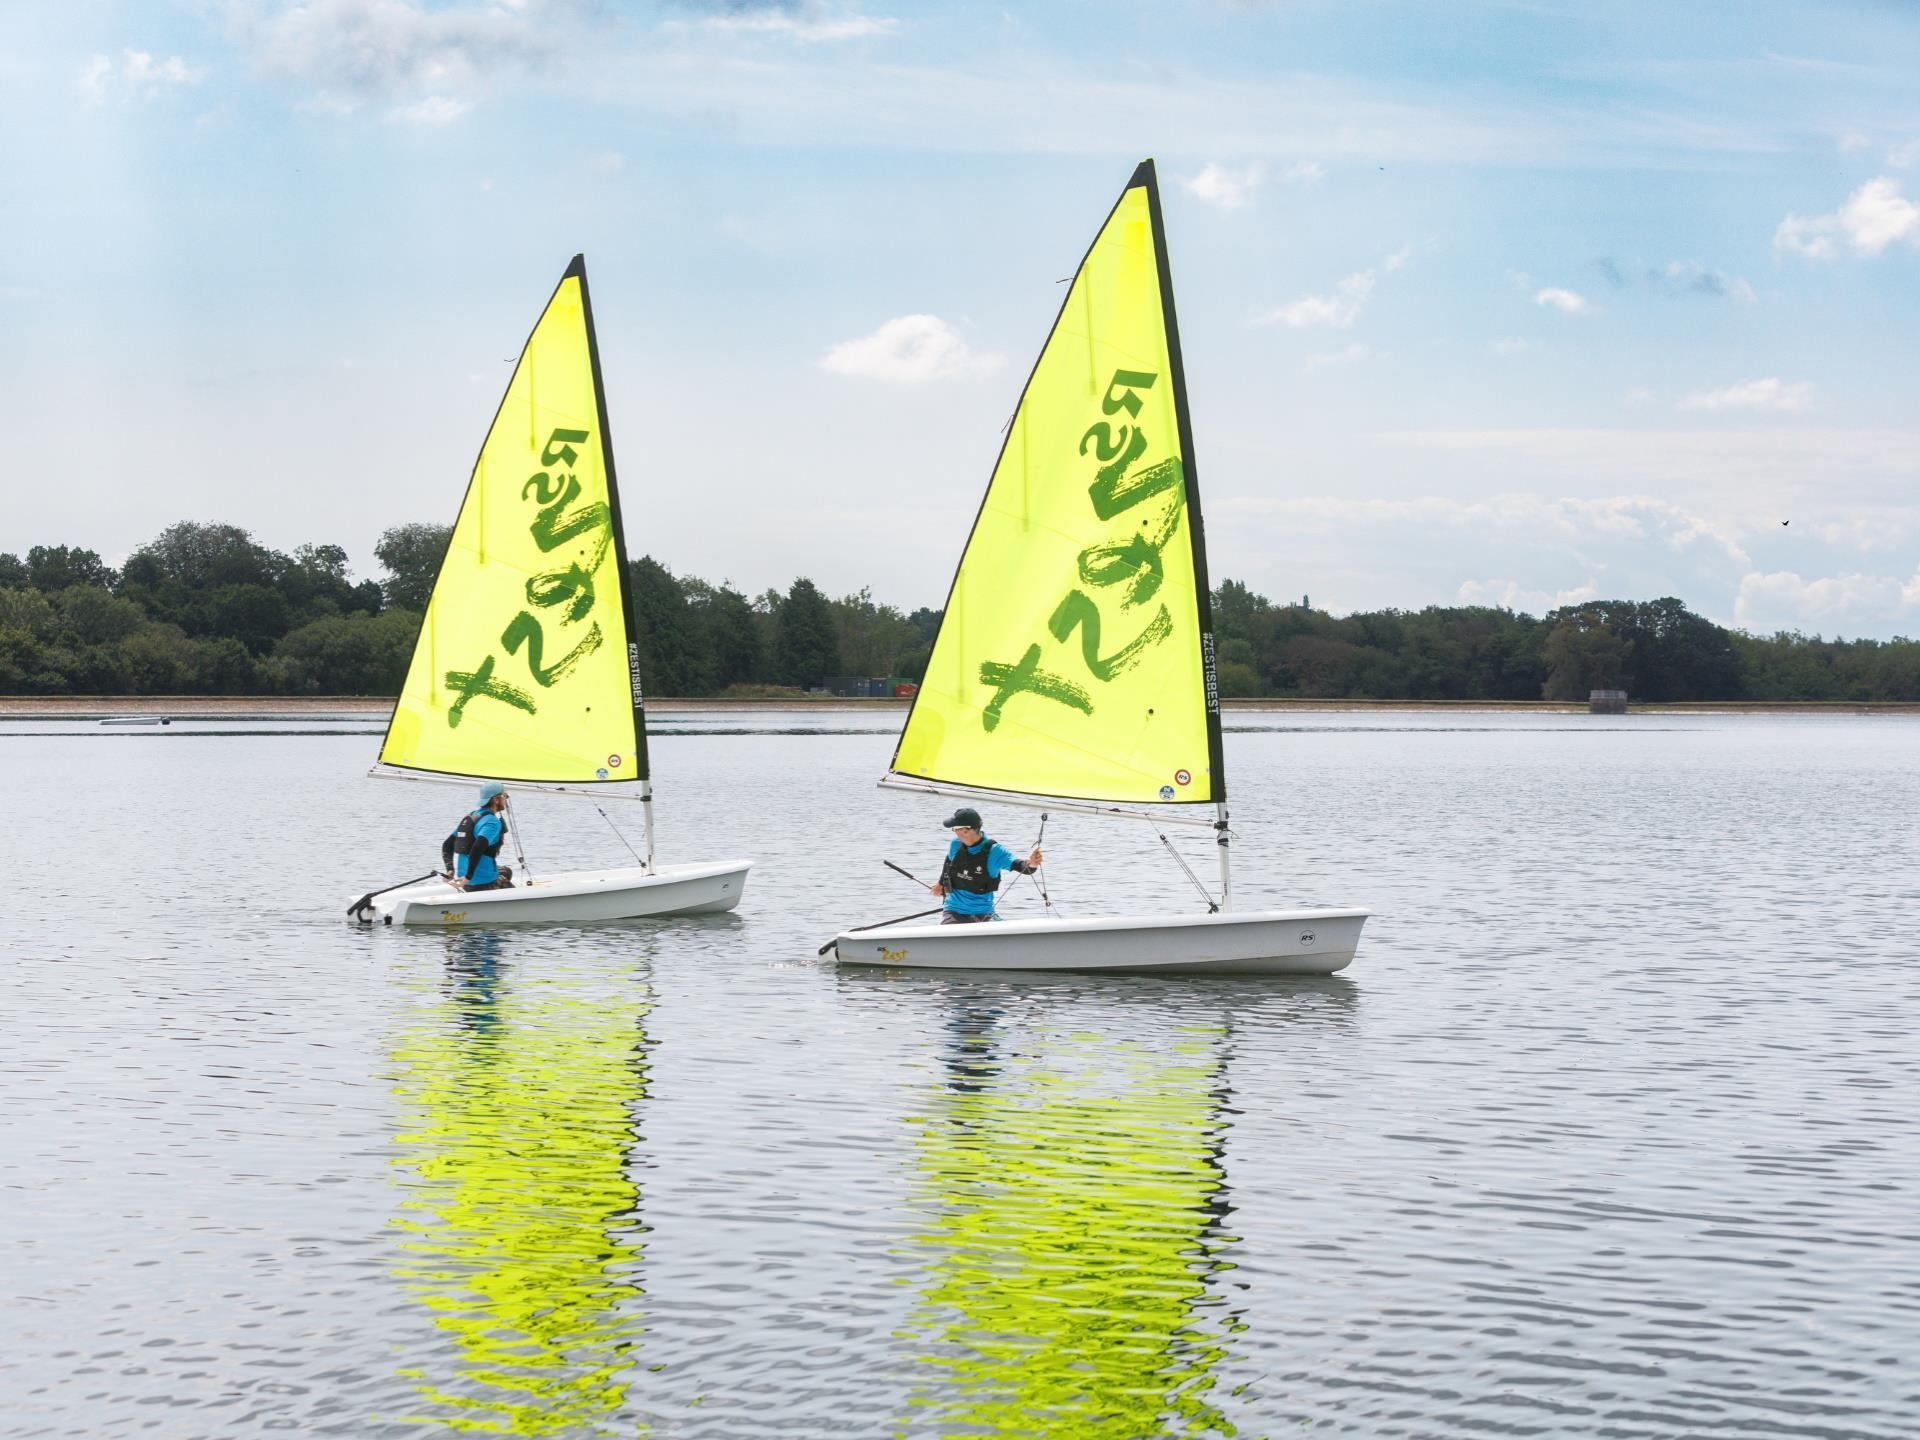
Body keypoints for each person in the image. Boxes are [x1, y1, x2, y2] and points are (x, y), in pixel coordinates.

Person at [930, 807, 1041, 923]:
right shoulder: (955, 844)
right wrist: (940, 883)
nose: (954, 832)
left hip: (983, 913)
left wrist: (1032, 863)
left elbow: (1024, 868)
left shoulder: (995, 851)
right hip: (954, 912)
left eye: (954, 828)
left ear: (965, 831)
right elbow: (949, 863)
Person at [443, 781, 515, 891]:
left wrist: (450, 870)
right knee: (514, 893)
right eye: (504, 796)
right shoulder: (492, 822)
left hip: (464, 879)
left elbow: (447, 844)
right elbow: (477, 848)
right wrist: (468, 877)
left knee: (507, 872)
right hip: (483, 883)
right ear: (496, 800)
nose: (505, 800)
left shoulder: (473, 816)